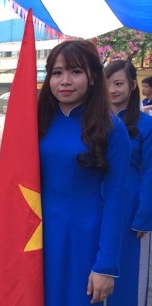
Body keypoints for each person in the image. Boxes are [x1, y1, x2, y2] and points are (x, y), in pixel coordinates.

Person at [38, 40, 130, 305]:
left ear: (92, 77)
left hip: (85, 239)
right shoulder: (37, 122)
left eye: (75, 71)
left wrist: (106, 266)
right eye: (57, 73)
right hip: (38, 236)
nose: (65, 81)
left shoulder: (111, 128)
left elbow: (116, 200)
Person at [104, 60, 152, 306]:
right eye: (107, 83)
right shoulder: (95, 123)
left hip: (133, 207)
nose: (112, 89)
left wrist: (145, 215)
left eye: (119, 83)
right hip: (100, 204)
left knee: (130, 271)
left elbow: (150, 172)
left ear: (133, 86)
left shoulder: (146, 125)